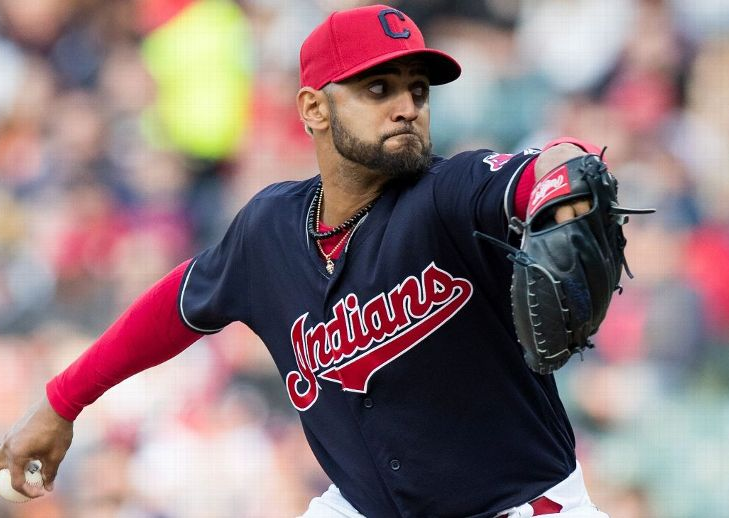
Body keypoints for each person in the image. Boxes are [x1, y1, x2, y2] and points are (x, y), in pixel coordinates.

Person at [1, 5, 611, 517]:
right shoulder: (269, 229)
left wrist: (567, 177)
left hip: (521, 507)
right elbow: (176, 307)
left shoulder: (449, 194)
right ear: (314, 109)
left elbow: (550, 165)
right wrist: (63, 400)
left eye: (417, 90)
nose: (406, 106)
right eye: (379, 88)